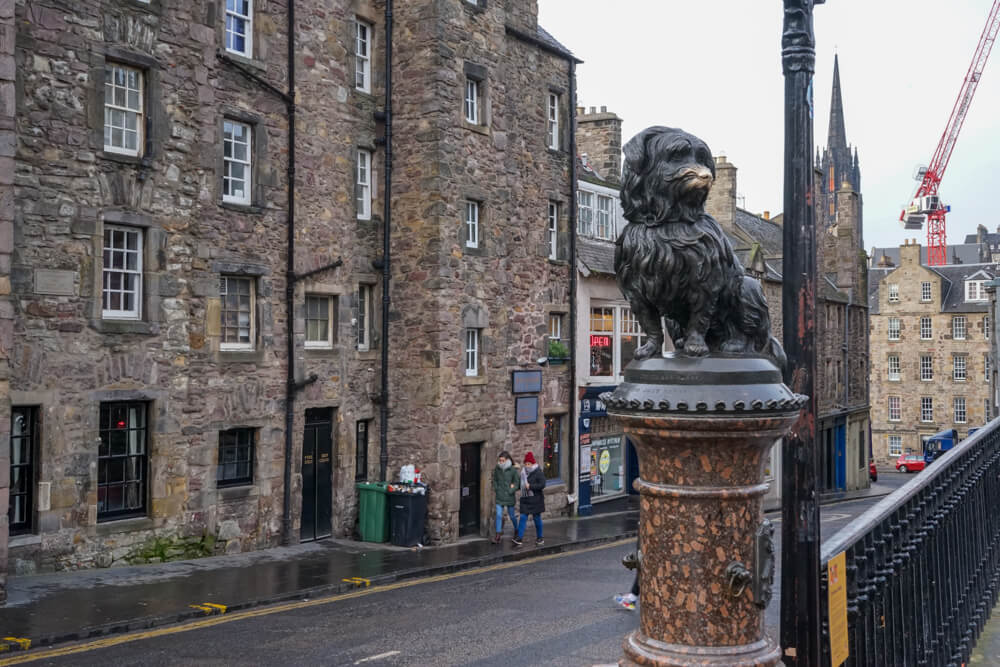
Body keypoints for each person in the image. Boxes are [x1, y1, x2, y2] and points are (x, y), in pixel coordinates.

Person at [512, 451, 545, 547]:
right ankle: (519, 538)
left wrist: (530, 486)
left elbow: (542, 484)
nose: (527, 466)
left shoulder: (538, 472)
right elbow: (521, 485)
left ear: (533, 463)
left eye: (529, 464)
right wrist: (515, 486)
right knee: (522, 518)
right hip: (525, 499)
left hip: (536, 500)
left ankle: (540, 537)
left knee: (537, 518)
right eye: (526, 464)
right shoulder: (523, 473)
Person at [491, 450, 519, 543]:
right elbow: (494, 480)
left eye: (503, 460)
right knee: (499, 515)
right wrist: (496, 488)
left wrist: (511, 490)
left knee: (512, 516)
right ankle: (498, 535)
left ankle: (517, 529)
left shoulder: (513, 470)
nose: (501, 462)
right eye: (500, 460)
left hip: (509, 496)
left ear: (507, 460)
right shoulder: (497, 469)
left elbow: (517, 483)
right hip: (499, 496)